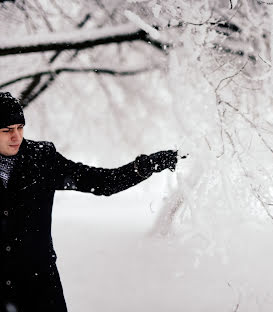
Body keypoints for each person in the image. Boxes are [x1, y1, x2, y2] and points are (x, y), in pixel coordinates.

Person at [0, 92, 180, 312]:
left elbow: (101, 182)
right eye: (7, 130)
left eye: (20, 127)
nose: (16, 136)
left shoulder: (41, 159)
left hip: (38, 285)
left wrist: (144, 167)